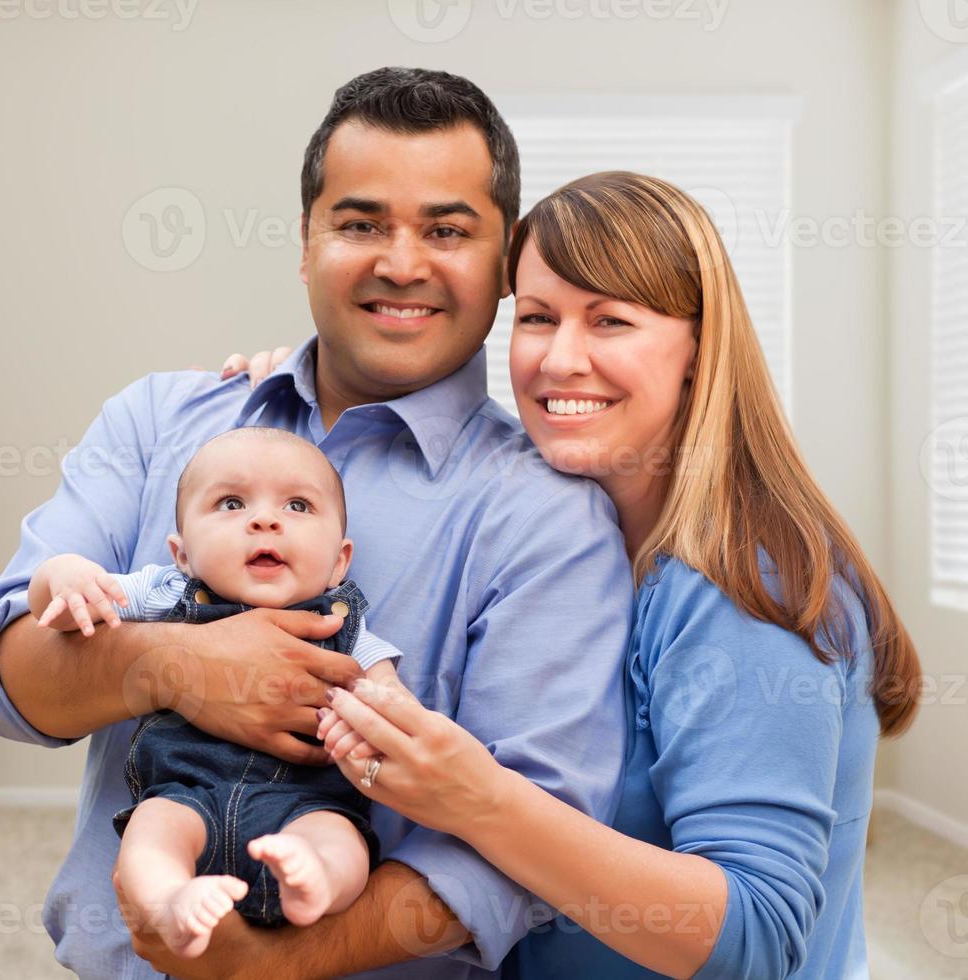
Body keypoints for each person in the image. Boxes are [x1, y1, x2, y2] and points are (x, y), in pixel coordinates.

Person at [0, 67, 635, 978]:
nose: (401, 263)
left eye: (447, 229)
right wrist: (177, 666)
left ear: (504, 259)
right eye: (360, 224)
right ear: (306, 242)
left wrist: (264, 964)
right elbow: (0, 675)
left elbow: (527, 844)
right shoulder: (159, 422)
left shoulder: (550, 516)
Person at [230, 171, 922, 979]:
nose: (562, 360)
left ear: (700, 348)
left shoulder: (740, 585)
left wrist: (479, 799)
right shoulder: (567, 537)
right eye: (536, 318)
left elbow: (759, 939)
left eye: (611, 321)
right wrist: (307, 392)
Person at [28, 427, 402, 958]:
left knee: (341, 842)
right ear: (182, 554)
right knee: (150, 835)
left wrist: (379, 720)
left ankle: (312, 881)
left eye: (298, 505)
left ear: (339, 561)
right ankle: (170, 900)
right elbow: (63, 611)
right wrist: (62, 576)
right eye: (231, 502)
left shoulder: (347, 626)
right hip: (184, 794)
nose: (265, 520)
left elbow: (391, 703)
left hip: (305, 803)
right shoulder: (165, 592)